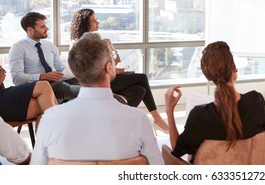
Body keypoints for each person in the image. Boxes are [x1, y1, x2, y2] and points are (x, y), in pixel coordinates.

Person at [30, 32, 163, 164]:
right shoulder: (138, 120)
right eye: (113, 57)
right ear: (109, 67)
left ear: (75, 70)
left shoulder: (50, 118)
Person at [165, 41, 265, 163]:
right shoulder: (256, 101)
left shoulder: (200, 116)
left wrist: (169, 110)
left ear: (208, 77)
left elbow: (177, 149)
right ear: (234, 69)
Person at [69, 8, 168, 133]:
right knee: (142, 77)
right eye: (94, 21)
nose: (97, 22)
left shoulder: (95, 40)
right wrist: (112, 67)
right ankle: (157, 118)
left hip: (106, 76)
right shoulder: (78, 43)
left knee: (139, 90)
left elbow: (113, 61)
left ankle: (119, 122)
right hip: (96, 82)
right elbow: (86, 70)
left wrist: (111, 50)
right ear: (85, 24)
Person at [9, 12, 80, 104]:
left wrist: (75, 73)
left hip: (57, 81)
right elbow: (17, 78)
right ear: (30, 30)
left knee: (87, 86)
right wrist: (43, 76)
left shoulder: (49, 45)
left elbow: (60, 68)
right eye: (42, 27)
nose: (47, 28)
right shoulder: (18, 47)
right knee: (62, 87)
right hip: (37, 86)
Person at [0, 65, 57, 131]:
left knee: (43, 106)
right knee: (43, 86)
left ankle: (51, 138)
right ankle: (58, 133)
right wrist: (0, 79)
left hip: (1, 102)